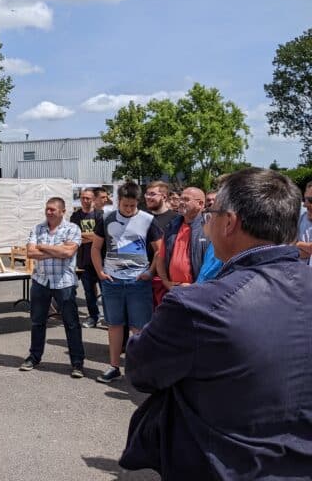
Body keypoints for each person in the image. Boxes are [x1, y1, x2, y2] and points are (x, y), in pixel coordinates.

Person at [121, 168, 312, 479]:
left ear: (230, 223)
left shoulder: (197, 306)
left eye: (212, 213)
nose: (207, 224)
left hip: (223, 465)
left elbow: (142, 373)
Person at [91, 181, 162, 384]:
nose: (129, 209)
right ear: (118, 202)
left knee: (139, 328)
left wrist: (150, 272)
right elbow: (95, 248)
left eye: (132, 205)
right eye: (125, 206)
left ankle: (139, 369)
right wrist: (100, 272)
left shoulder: (148, 220)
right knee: (114, 325)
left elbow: (159, 250)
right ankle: (114, 367)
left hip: (138, 282)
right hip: (112, 281)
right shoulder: (106, 218)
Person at [20, 197, 86, 378]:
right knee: (37, 321)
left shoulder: (73, 229)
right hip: (41, 281)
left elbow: (68, 252)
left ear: (62, 211)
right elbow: (31, 252)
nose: (49, 212)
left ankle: (77, 363)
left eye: (53, 210)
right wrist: (55, 249)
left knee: (71, 323)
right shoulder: (37, 228)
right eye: (47, 209)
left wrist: (43, 246)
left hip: (64, 283)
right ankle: (34, 357)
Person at [157, 187, 209, 296]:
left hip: (200, 293)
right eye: (180, 199)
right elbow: (160, 258)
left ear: (200, 204)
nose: (181, 202)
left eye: (186, 199)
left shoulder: (209, 229)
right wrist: (166, 282)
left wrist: (198, 286)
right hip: (173, 291)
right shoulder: (171, 227)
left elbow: (215, 265)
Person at [70, 188, 103, 328]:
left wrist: (86, 236)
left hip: (101, 260)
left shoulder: (100, 215)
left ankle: (109, 317)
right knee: (89, 293)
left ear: (93, 199)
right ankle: (93, 317)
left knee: (106, 292)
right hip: (83, 260)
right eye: (83, 198)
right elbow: (74, 237)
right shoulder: (75, 216)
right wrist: (92, 237)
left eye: (88, 198)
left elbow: (101, 237)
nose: (85, 200)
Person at [143, 181, 177, 309]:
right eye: (147, 194)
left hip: (163, 278)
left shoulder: (176, 219)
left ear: (164, 197)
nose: (148, 197)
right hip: (140, 275)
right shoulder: (142, 217)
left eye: (152, 194)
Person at [298, 181, 312, 266]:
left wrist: (298, 244)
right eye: (305, 199)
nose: (305, 205)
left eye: (311, 200)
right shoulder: (302, 216)